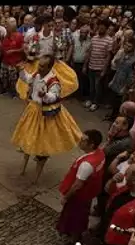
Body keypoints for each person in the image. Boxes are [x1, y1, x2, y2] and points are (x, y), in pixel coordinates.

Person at [11, 54, 82, 182]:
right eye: (39, 65)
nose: (39, 68)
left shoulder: (54, 82)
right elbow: (27, 79)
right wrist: (21, 70)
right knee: (27, 140)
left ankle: (36, 176)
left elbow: (54, 96)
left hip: (46, 116)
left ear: (50, 67)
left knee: (43, 147)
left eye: (43, 66)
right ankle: (23, 167)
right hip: (33, 111)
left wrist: (45, 95)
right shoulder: (36, 75)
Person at [56, 129, 105, 245]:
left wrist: (66, 196)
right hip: (88, 194)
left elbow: (77, 185)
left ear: (91, 144)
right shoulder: (100, 154)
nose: (80, 142)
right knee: (79, 216)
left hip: (79, 197)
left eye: (83, 141)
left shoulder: (86, 165)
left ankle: (74, 241)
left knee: (75, 218)